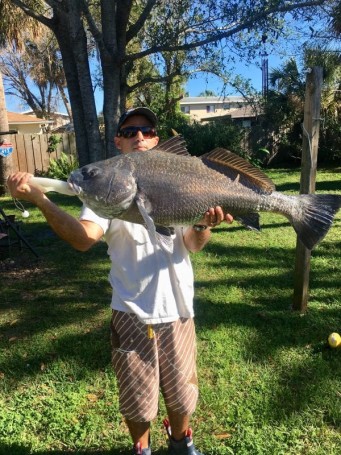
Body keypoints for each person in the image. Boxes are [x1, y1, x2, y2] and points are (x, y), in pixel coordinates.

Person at [7, 107, 233, 455]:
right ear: (118, 141)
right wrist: (41, 200)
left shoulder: (181, 180)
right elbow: (83, 238)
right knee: (137, 398)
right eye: (129, 132)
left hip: (179, 308)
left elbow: (191, 244)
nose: (138, 137)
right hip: (132, 311)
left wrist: (204, 224)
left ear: (157, 139)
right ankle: (140, 449)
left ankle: (180, 443)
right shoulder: (107, 186)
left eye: (146, 130)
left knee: (182, 390)